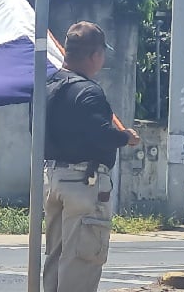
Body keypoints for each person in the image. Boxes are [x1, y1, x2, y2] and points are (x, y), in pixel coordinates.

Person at [42, 21, 140, 292]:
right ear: (95, 55)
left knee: (56, 255)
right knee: (82, 258)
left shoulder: (48, 87)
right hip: (84, 182)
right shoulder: (89, 91)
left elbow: (35, 129)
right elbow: (100, 134)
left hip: (53, 177)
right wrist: (126, 137)